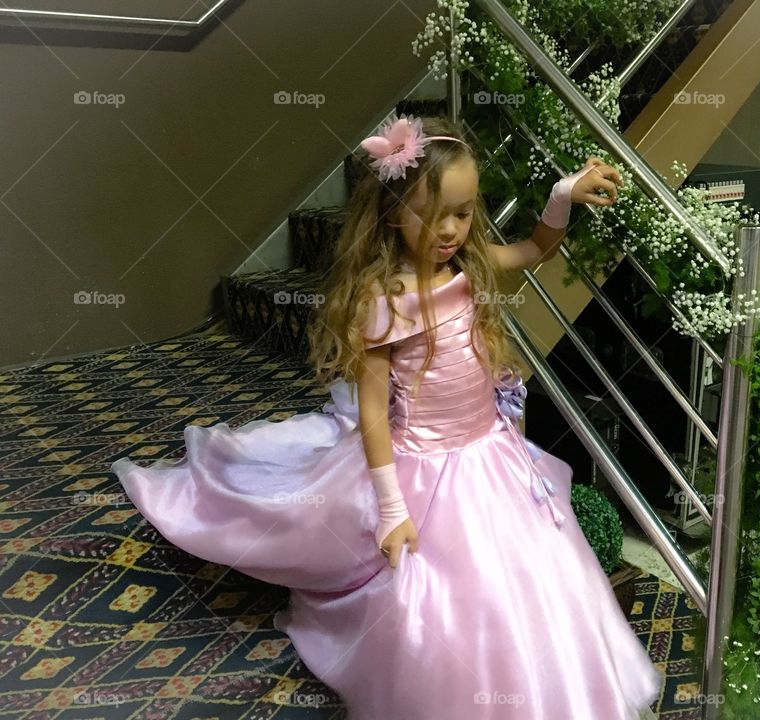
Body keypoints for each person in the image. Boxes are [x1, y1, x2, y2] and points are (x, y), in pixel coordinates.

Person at [112, 113, 663, 719]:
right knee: (442, 598)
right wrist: (392, 508)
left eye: (464, 212)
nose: (451, 230)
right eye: (433, 215)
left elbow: (534, 249)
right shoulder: (385, 298)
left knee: (534, 576)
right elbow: (373, 410)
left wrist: (560, 198)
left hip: (491, 457)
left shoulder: (468, 267)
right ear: (394, 209)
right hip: (420, 469)